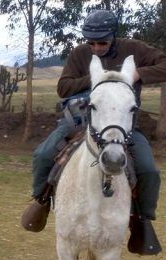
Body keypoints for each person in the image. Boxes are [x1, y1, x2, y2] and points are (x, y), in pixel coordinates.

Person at [26, 10, 166, 246]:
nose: (96, 48)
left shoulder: (135, 48)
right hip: (82, 120)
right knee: (43, 155)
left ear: (113, 36)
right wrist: (98, 78)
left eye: (102, 42)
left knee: (149, 170)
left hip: (122, 125)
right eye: (91, 42)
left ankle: (142, 219)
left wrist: (138, 74)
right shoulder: (80, 53)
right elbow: (63, 87)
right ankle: (42, 200)